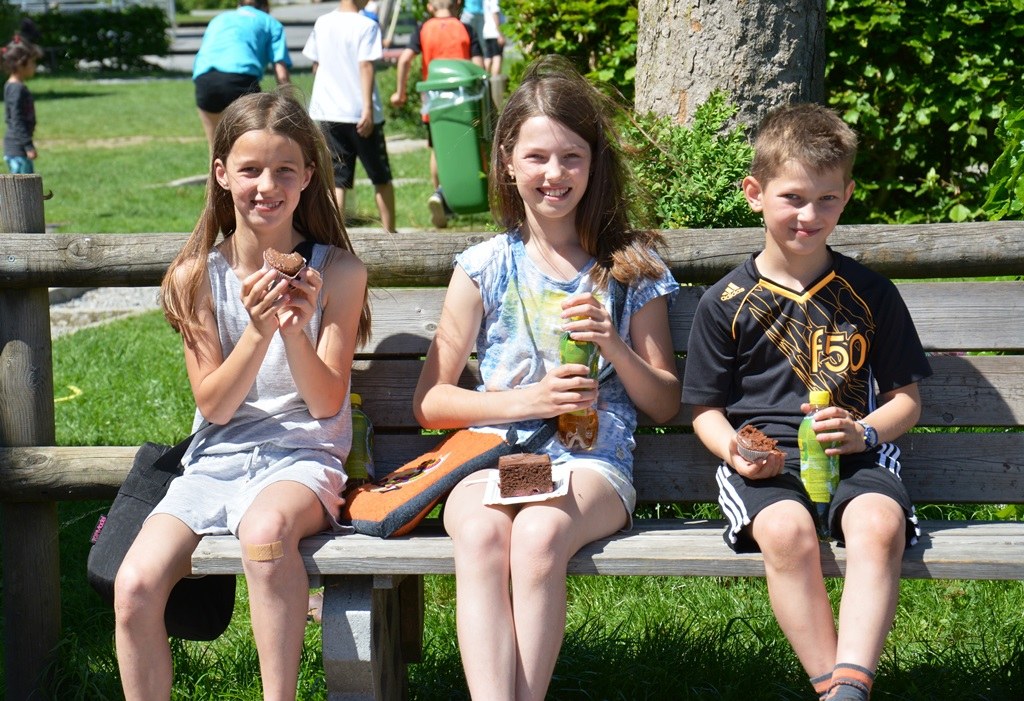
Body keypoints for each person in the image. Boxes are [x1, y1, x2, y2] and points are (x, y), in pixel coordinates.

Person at [413, 56, 680, 700]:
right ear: (507, 160)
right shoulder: (483, 267)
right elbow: (431, 402)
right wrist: (527, 399)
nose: (554, 174)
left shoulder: (630, 269)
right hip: (498, 458)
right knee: (481, 530)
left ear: (594, 164)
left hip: (590, 465)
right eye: (536, 157)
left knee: (537, 532)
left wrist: (613, 344)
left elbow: (665, 402)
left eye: (571, 157)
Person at [113, 89, 370, 701]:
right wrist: (257, 331)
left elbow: (326, 403)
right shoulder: (196, 276)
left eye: (285, 170)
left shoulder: (338, 273)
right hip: (216, 460)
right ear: (222, 173)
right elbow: (215, 407)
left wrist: (294, 331)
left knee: (266, 533)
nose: (267, 186)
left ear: (309, 176)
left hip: (304, 454)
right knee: (133, 586)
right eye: (250, 169)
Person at [682, 103, 932, 701]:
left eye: (826, 199)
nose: (809, 215)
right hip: (766, 464)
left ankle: (852, 686)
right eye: (793, 198)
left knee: (878, 524)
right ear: (754, 193)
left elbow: (906, 400)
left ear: (847, 197)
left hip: (856, 452)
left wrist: (866, 432)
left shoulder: (869, 293)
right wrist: (737, 451)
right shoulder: (725, 302)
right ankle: (833, 687)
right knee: (786, 532)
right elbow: (704, 411)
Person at [303, 0, 397, 233]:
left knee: (337, 179)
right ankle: (390, 233)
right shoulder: (366, 25)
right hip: (359, 113)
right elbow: (366, 66)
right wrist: (368, 108)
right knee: (380, 176)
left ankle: (334, 234)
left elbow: (316, 65)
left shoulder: (323, 22)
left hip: (328, 111)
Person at [390, 0, 483, 228]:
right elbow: (479, 67)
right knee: (472, 146)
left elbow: (405, 59)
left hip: (435, 99)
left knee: (438, 148)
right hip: (465, 99)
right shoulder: (466, 29)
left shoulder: (423, 29)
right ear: (458, 3)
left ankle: (440, 196)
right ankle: (474, 192)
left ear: (430, 6)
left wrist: (400, 92)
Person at [192, 0, 292, 152]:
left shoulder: (219, 19)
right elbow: (282, 75)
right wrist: (290, 110)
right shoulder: (270, 22)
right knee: (251, 149)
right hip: (240, 80)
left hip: (205, 80)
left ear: (239, 5)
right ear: (266, 7)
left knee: (216, 149)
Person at [3, 35, 43, 174]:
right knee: (23, 186)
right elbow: (16, 119)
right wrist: (28, 146)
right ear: (21, 64)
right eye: (32, 62)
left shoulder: (13, 86)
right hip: (18, 150)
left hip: (17, 149)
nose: (34, 66)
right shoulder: (16, 89)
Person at [481, 0, 505, 105]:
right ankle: (495, 86)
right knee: (497, 57)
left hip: (487, 31)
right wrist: (500, 33)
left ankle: (484, 82)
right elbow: (495, 13)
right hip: (495, 32)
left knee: (488, 58)